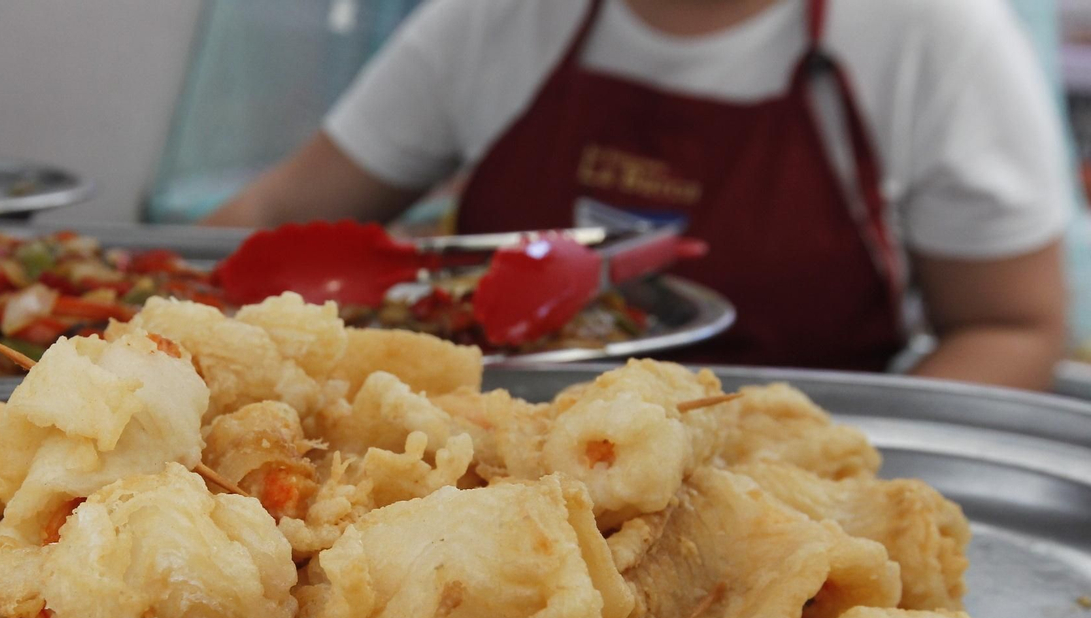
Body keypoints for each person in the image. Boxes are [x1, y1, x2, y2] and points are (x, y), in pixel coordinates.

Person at [207, 0, 1072, 389]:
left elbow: (1013, 324)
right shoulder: (493, 18)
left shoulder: (933, 32)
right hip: (484, 480)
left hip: (794, 499)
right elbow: (260, 227)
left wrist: (841, 472)